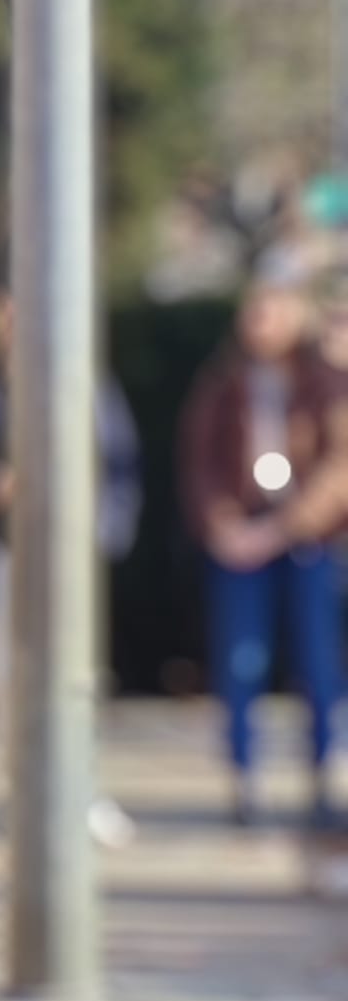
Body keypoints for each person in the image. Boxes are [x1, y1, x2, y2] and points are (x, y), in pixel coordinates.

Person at [179, 278, 348, 825]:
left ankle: (322, 774)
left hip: (305, 541)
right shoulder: (224, 382)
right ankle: (243, 776)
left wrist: (287, 526)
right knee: (240, 659)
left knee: (317, 660)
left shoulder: (323, 383)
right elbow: (200, 461)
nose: (260, 325)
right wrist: (222, 525)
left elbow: (338, 467)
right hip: (241, 540)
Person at [0, 286, 144, 717]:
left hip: (64, 539)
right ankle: (11, 732)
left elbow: (117, 457)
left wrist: (106, 528)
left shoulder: (80, 381)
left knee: (65, 649)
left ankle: (65, 731)